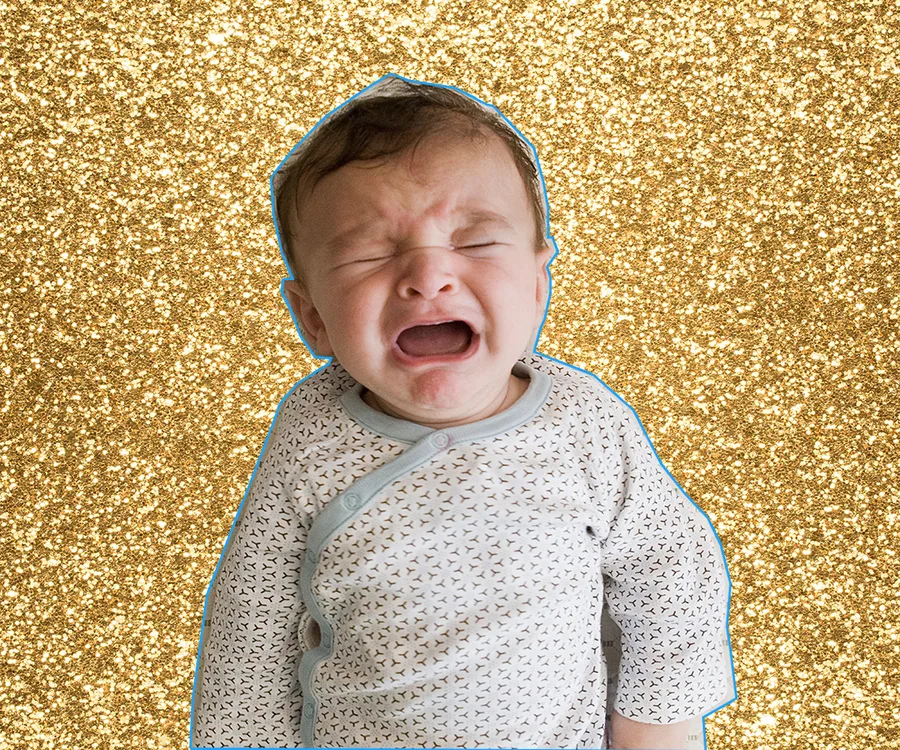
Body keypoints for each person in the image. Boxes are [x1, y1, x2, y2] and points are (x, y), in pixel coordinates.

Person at [189, 74, 736, 749]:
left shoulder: (580, 422)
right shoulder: (312, 436)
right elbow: (253, 620)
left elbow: (670, 573)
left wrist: (656, 730)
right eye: (370, 251)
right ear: (313, 319)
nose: (428, 275)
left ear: (537, 287)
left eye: (474, 241)